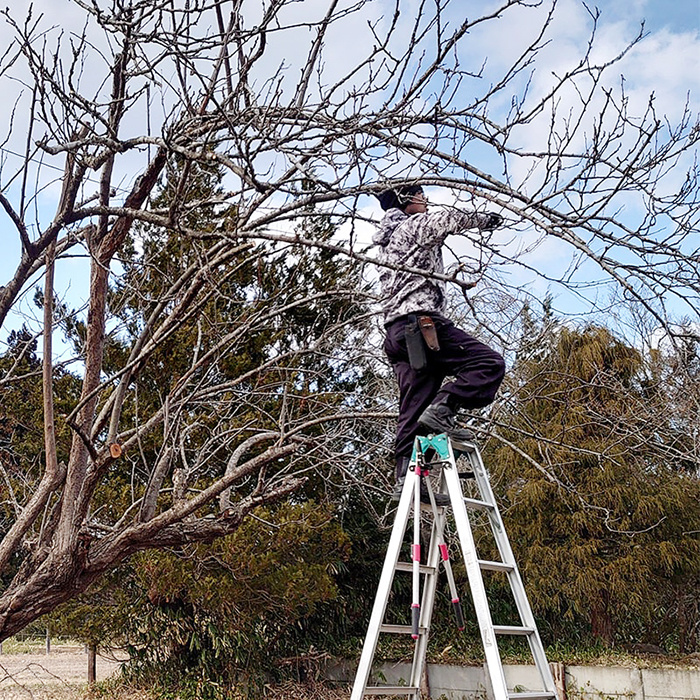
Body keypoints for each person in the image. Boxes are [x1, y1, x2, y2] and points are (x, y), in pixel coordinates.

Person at [373, 184, 506, 501]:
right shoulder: (414, 226)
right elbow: (447, 219)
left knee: (412, 407)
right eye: (419, 196)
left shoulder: (387, 242)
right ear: (407, 201)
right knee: (489, 364)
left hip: (395, 334)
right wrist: (485, 219)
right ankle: (445, 405)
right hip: (420, 323)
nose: (425, 201)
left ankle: (405, 480)